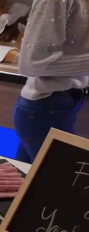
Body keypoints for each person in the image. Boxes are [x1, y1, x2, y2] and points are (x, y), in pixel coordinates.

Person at [14, 0, 89, 163]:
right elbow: (30, 63)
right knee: (61, 177)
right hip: (46, 107)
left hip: (63, 104)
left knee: (23, 176)